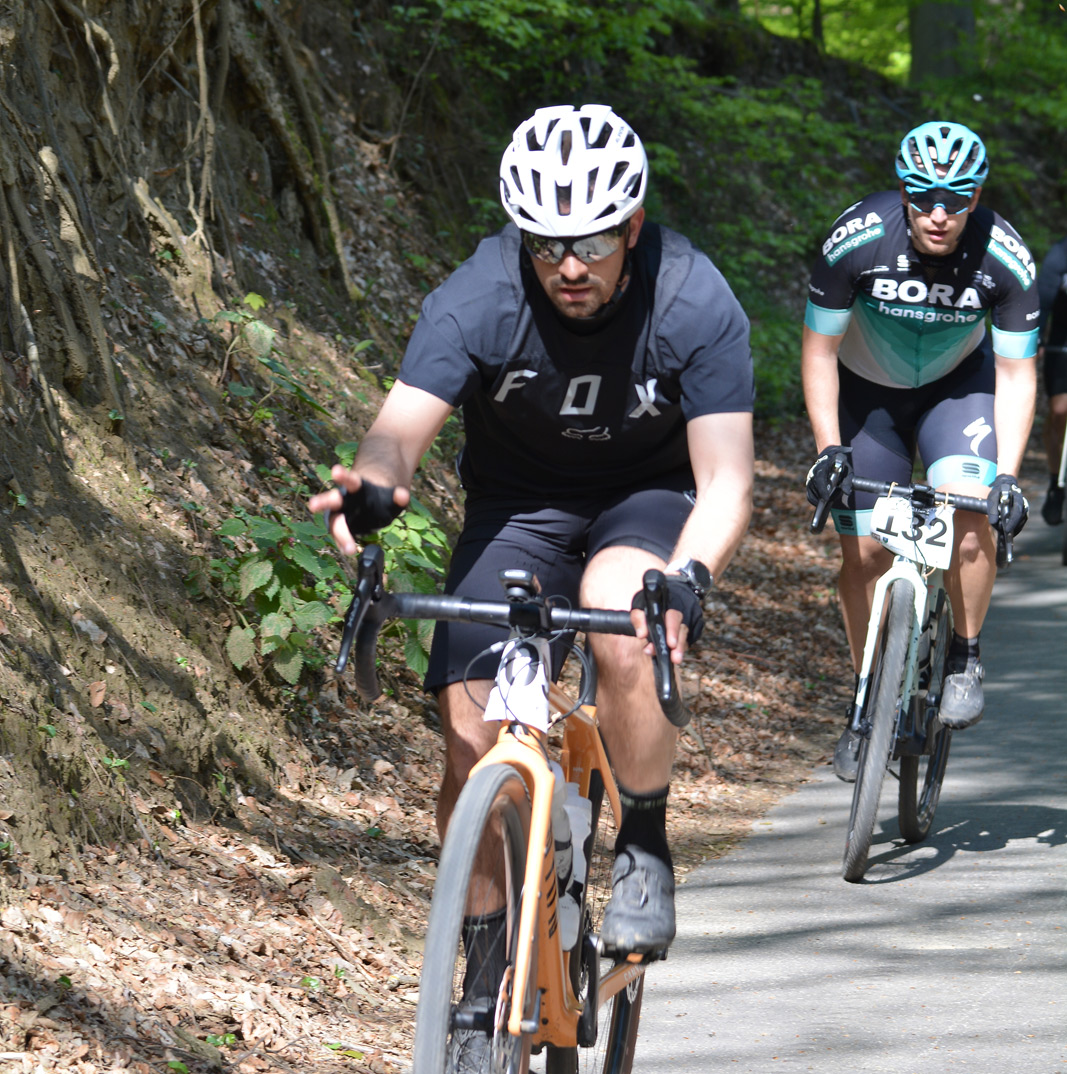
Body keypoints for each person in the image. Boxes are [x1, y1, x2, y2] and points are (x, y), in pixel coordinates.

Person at [311, 104, 754, 960]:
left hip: (648, 500)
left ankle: (643, 844)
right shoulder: (478, 295)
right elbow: (396, 436)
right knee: (470, 744)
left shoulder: (693, 298)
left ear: (631, 226)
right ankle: (478, 988)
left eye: (590, 243)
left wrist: (690, 575)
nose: (568, 267)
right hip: (517, 513)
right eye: (545, 245)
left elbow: (727, 479)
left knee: (623, 620)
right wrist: (371, 490)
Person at [802, 121, 1038, 781]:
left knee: (969, 524)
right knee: (866, 553)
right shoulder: (857, 239)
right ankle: (863, 699)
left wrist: (1009, 477)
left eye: (956, 201)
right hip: (865, 399)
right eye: (923, 198)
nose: (938, 215)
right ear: (901, 191)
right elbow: (817, 349)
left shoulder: (1004, 255)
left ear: (976, 195)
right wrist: (827, 447)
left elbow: (1017, 374)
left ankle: (964, 653)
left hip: (956, 395)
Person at [1036, 235, 1067, 525]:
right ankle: (1056, 484)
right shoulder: (1060, 253)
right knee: (1060, 413)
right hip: (1062, 345)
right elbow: (1043, 300)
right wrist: (1035, 338)